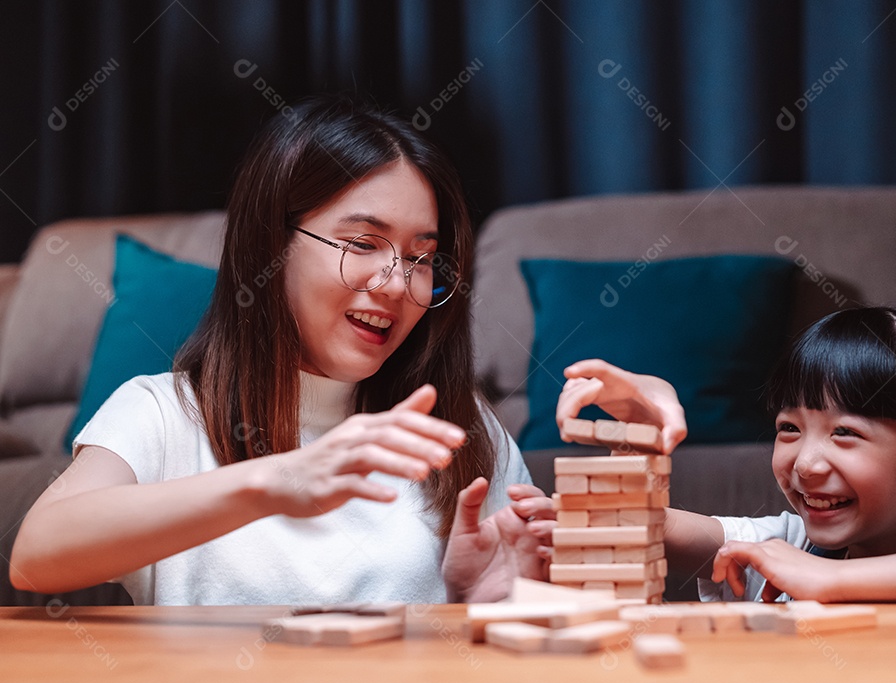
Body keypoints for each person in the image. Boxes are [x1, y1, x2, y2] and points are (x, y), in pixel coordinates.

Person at [11, 96, 554, 605]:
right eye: (363, 244)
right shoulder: (163, 413)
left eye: (421, 258)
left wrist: (481, 603)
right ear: (272, 245)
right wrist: (273, 482)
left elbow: (498, 639)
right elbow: (35, 556)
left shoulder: (461, 427)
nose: (396, 284)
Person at [556, 306, 896, 603]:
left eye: (845, 433)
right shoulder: (789, 544)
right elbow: (639, 523)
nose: (806, 463)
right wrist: (640, 424)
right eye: (789, 428)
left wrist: (830, 579)